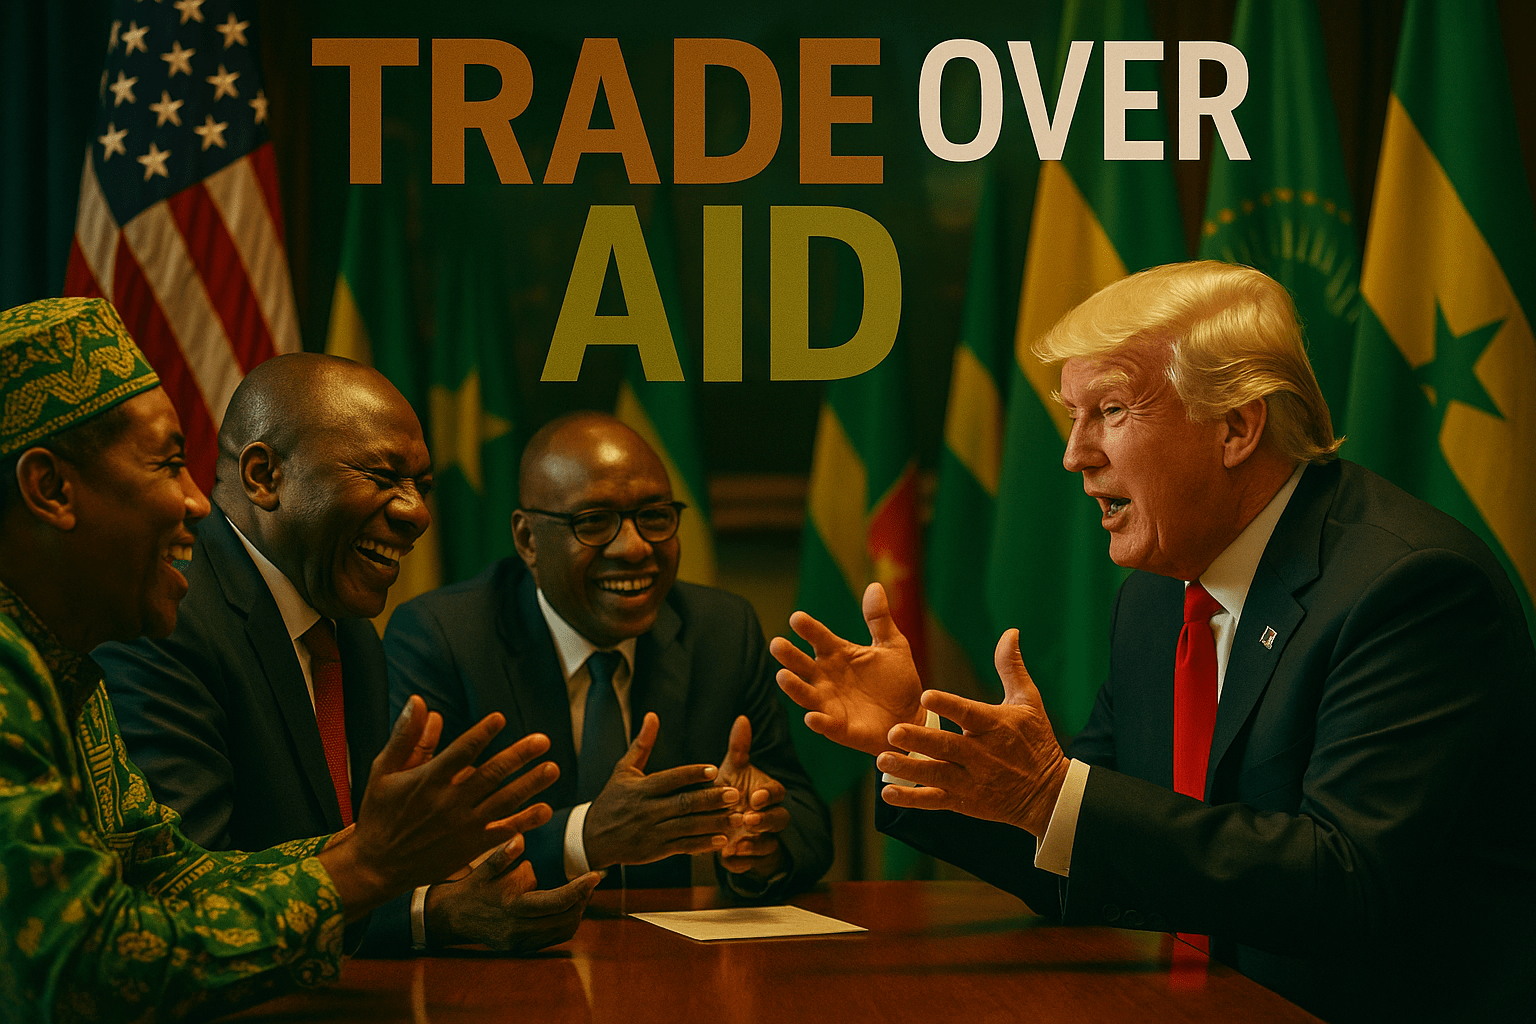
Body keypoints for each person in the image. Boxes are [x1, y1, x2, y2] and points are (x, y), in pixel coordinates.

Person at [771, 262, 1535, 1023]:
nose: (1074, 454)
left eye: (1109, 410)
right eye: (1072, 415)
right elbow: (1087, 849)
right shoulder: (1157, 599)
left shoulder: (1409, 589)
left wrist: (1052, 796)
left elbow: (1344, 885)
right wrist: (921, 743)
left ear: (1237, 426)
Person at [0, 298, 559, 1022]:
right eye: (169, 464)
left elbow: (171, 879)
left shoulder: (65, 670)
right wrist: (367, 864)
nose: (198, 501)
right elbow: (81, 968)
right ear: (50, 488)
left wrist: (389, 846)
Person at [97, 354, 597, 955]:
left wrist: (439, 892)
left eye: (423, 487)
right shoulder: (166, 619)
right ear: (264, 476)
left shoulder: (346, 631)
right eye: (383, 478)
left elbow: (354, 861)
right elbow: (183, 897)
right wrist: (426, 913)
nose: (417, 514)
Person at [385, 412, 832, 898]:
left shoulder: (720, 630)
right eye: (594, 523)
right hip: (511, 958)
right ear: (528, 540)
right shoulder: (443, 638)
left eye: (655, 517)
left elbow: (804, 821)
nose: (636, 547)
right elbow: (414, 847)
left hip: (676, 954)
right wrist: (585, 837)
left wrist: (762, 840)